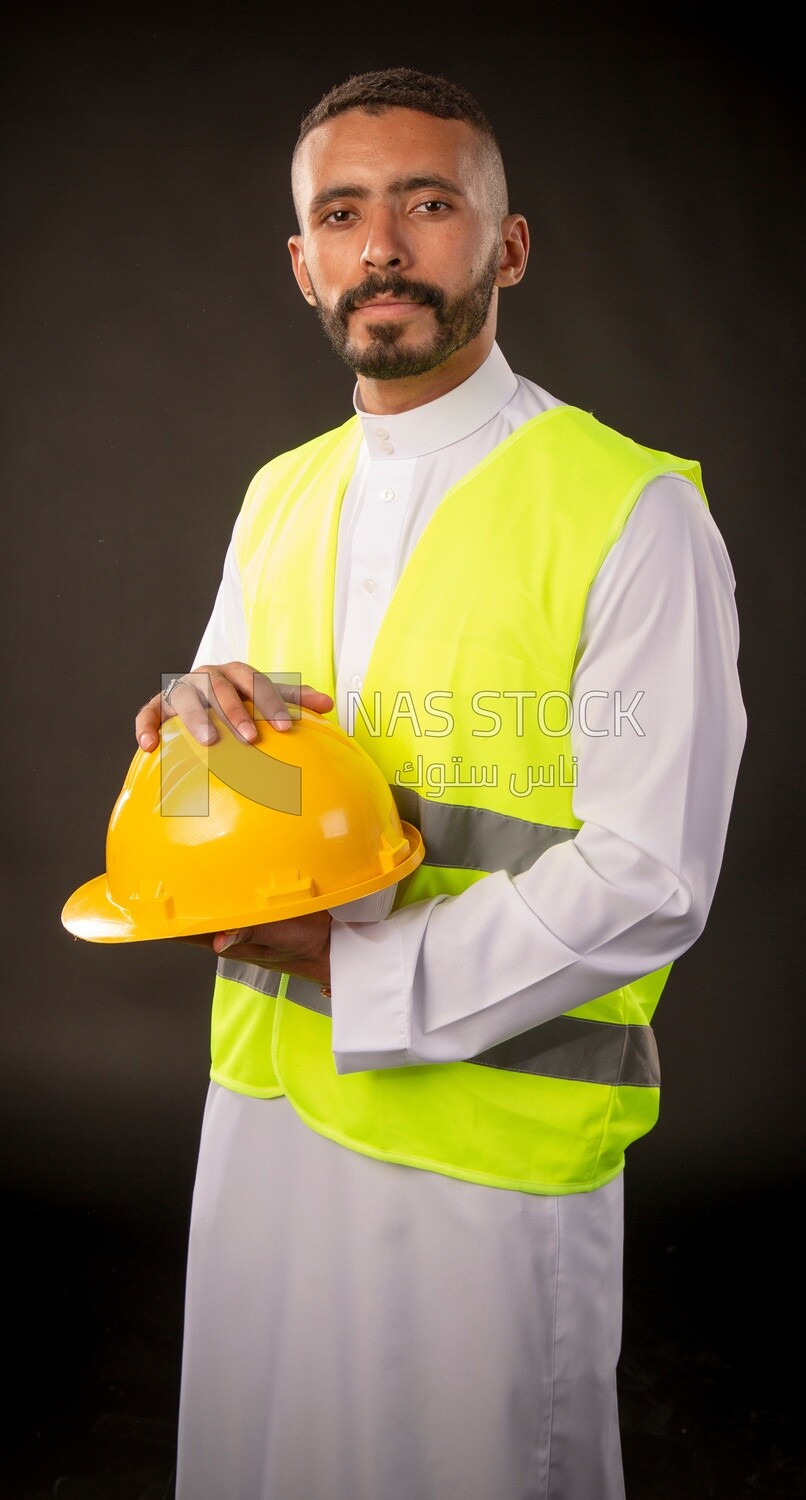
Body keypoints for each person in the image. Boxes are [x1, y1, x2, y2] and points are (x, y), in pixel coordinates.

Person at [134, 67, 746, 1500]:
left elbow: (654, 875)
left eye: (427, 204)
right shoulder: (277, 490)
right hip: (269, 1117)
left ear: (505, 246)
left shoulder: (629, 509)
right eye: (342, 214)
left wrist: (363, 970)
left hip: (489, 1145)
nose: (382, 247)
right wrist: (177, 728)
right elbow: (217, 778)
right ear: (303, 265)